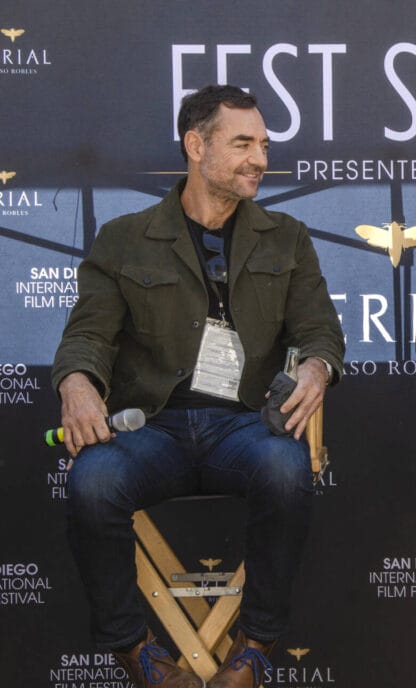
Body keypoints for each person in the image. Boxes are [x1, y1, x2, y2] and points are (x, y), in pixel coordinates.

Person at [52, 85, 345, 688]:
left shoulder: (287, 235)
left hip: (244, 426)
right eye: (242, 144)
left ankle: (254, 646)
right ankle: (135, 651)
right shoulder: (124, 237)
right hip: (149, 428)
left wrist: (316, 368)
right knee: (92, 482)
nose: (259, 159)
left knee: (286, 468)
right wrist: (76, 384)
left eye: (264, 145)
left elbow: (320, 331)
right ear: (196, 145)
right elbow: (87, 335)